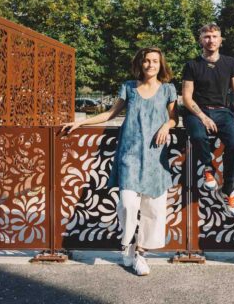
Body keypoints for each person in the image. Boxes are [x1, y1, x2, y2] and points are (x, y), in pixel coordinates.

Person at [62, 47, 177, 276]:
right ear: (140, 64)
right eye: (146, 61)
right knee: (127, 203)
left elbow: (174, 119)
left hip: (156, 155)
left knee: (153, 208)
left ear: (160, 65)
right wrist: (80, 123)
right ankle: (128, 241)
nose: (150, 65)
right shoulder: (129, 88)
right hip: (130, 153)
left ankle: (140, 254)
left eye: (155, 61)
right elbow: (110, 114)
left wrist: (166, 125)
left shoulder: (168, 90)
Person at [182, 23, 234, 216]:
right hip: (197, 112)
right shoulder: (192, 65)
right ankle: (208, 168)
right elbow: (186, 97)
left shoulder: (230, 62)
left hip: (223, 112)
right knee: (198, 136)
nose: (211, 40)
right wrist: (202, 116)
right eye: (207, 36)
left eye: (214, 36)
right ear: (201, 40)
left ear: (220, 40)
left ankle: (229, 187)